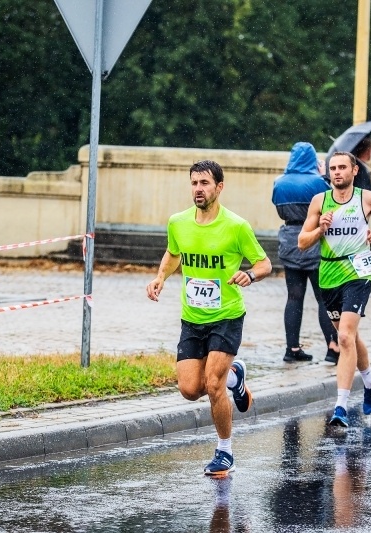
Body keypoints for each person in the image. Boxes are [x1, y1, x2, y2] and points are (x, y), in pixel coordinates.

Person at [146, 160, 272, 476]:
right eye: (194, 183)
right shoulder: (178, 222)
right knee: (190, 389)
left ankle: (224, 451)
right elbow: (174, 252)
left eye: (204, 183)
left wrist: (250, 276)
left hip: (227, 316)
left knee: (213, 384)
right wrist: (161, 277)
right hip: (192, 318)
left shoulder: (236, 226)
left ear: (219, 187)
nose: (198, 189)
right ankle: (236, 378)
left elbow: (264, 263)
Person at [298, 151, 371, 427]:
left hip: (357, 270)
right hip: (328, 273)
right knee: (349, 336)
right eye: (333, 168)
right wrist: (319, 229)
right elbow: (302, 242)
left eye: (343, 167)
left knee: (344, 337)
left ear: (354, 171)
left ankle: (340, 406)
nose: (337, 172)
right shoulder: (320, 201)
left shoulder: (367, 198)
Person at [271, 142, 339, 363]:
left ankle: (292, 348)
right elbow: (332, 204)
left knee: (294, 296)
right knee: (324, 298)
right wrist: (324, 177)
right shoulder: (318, 183)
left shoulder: (279, 183)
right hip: (315, 239)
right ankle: (332, 347)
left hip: (289, 238)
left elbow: (276, 204)